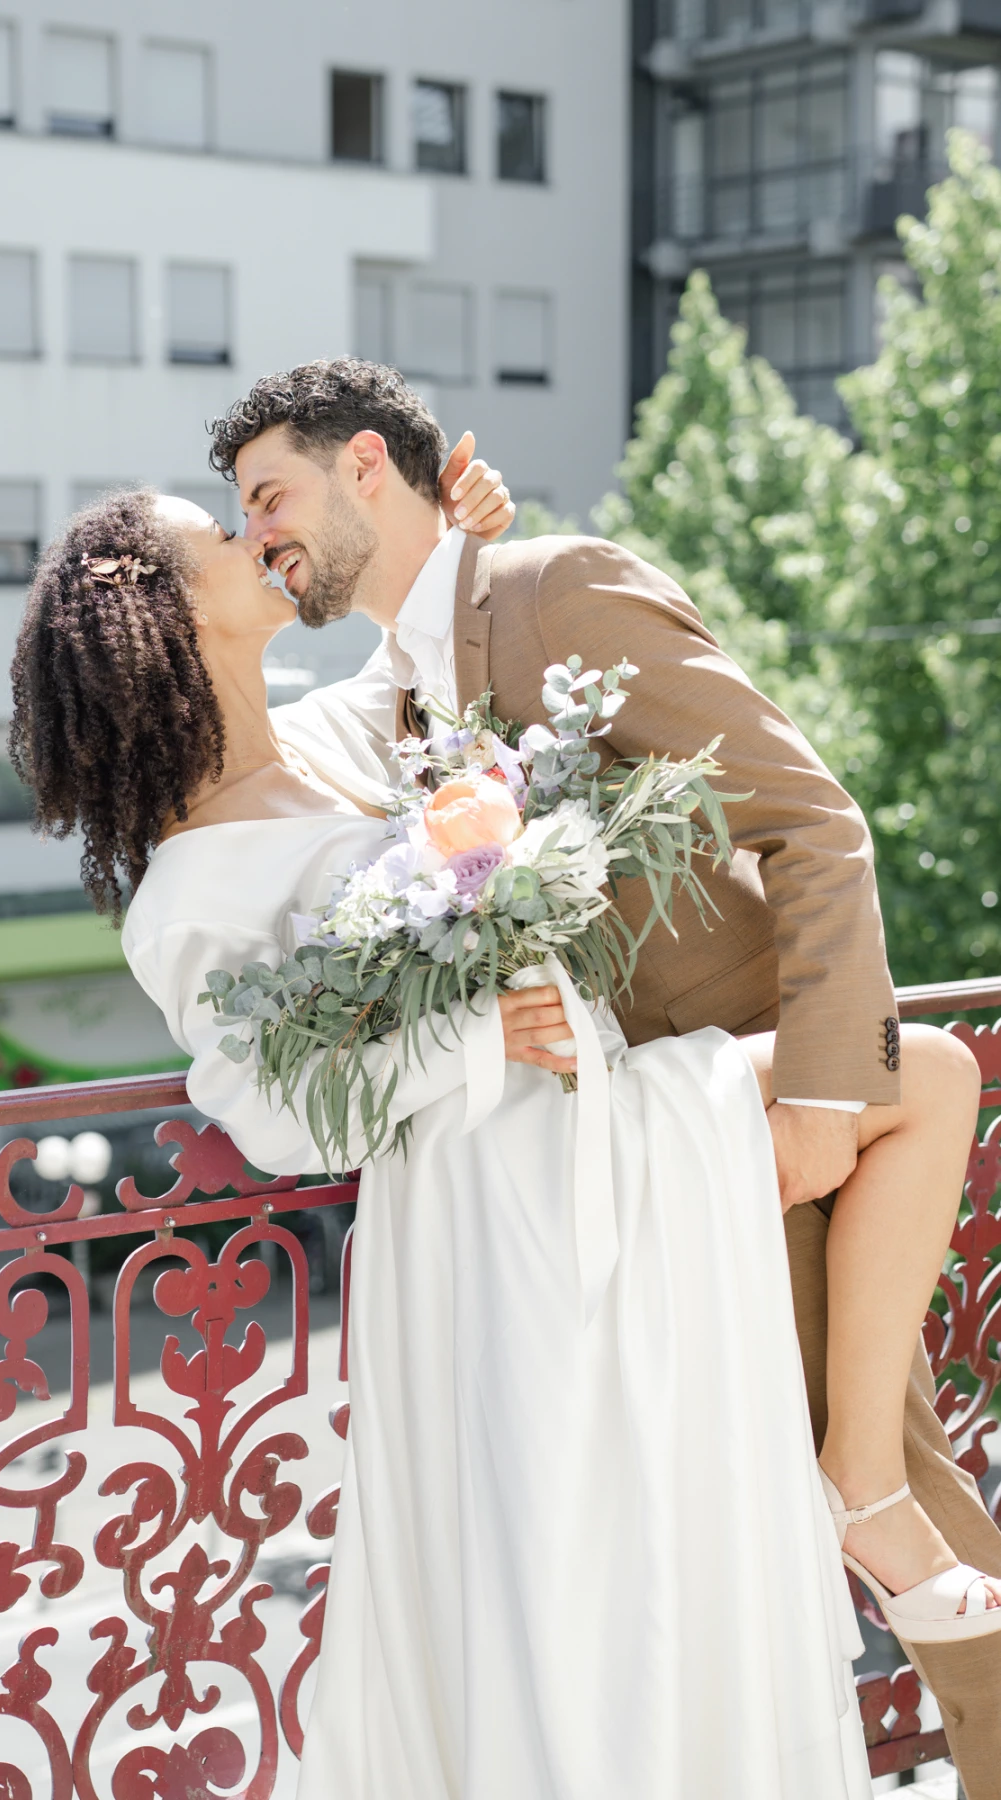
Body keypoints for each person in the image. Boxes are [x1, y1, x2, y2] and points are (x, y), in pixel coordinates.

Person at [203, 361, 1001, 1788]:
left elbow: (813, 819)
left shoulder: (556, 591)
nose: (260, 529)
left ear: (368, 467)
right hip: (620, 1205)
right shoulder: (394, 711)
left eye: (270, 493)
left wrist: (823, 1099)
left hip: (768, 1152)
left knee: (929, 1549)